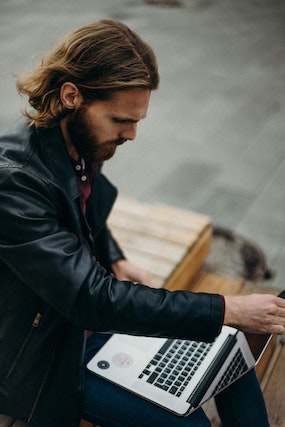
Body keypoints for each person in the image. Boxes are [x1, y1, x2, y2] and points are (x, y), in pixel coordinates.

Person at [0, 19, 284, 427]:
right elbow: (91, 299)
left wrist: (114, 257)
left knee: (231, 357)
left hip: (89, 320)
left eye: (138, 120)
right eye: (120, 120)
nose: (132, 134)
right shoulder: (15, 180)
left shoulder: (77, 138)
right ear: (71, 96)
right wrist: (228, 307)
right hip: (49, 352)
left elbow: (81, 212)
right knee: (190, 422)